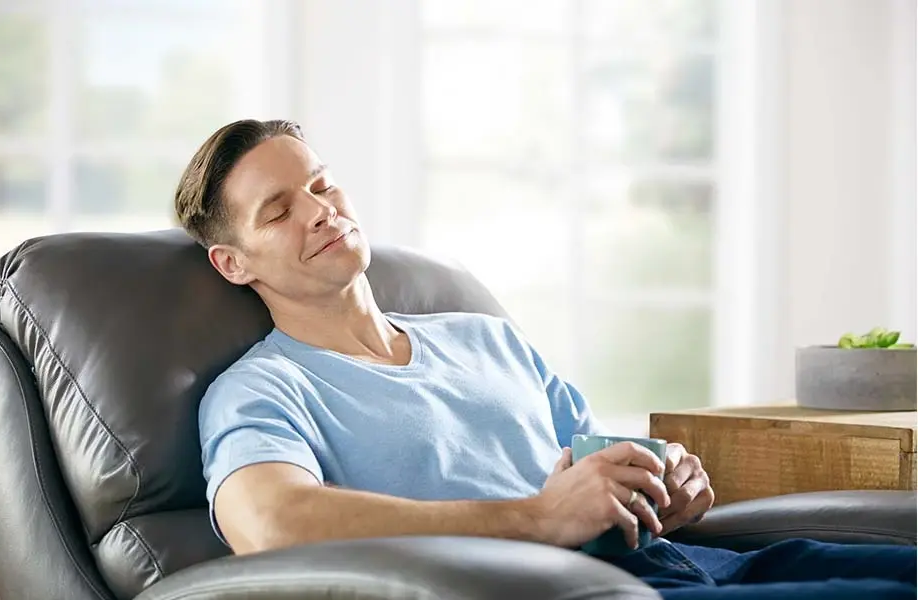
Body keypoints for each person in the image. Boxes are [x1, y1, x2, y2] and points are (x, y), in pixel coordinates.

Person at [174, 119, 916, 599]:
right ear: (234, 264)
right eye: (279, 210)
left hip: (692, 566)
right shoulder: (262, 390)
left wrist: (666, 481)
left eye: (321, 183)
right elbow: (269, 523)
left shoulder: (481, 335)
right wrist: (533, 518)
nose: (318, 209)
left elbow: (588, 465)